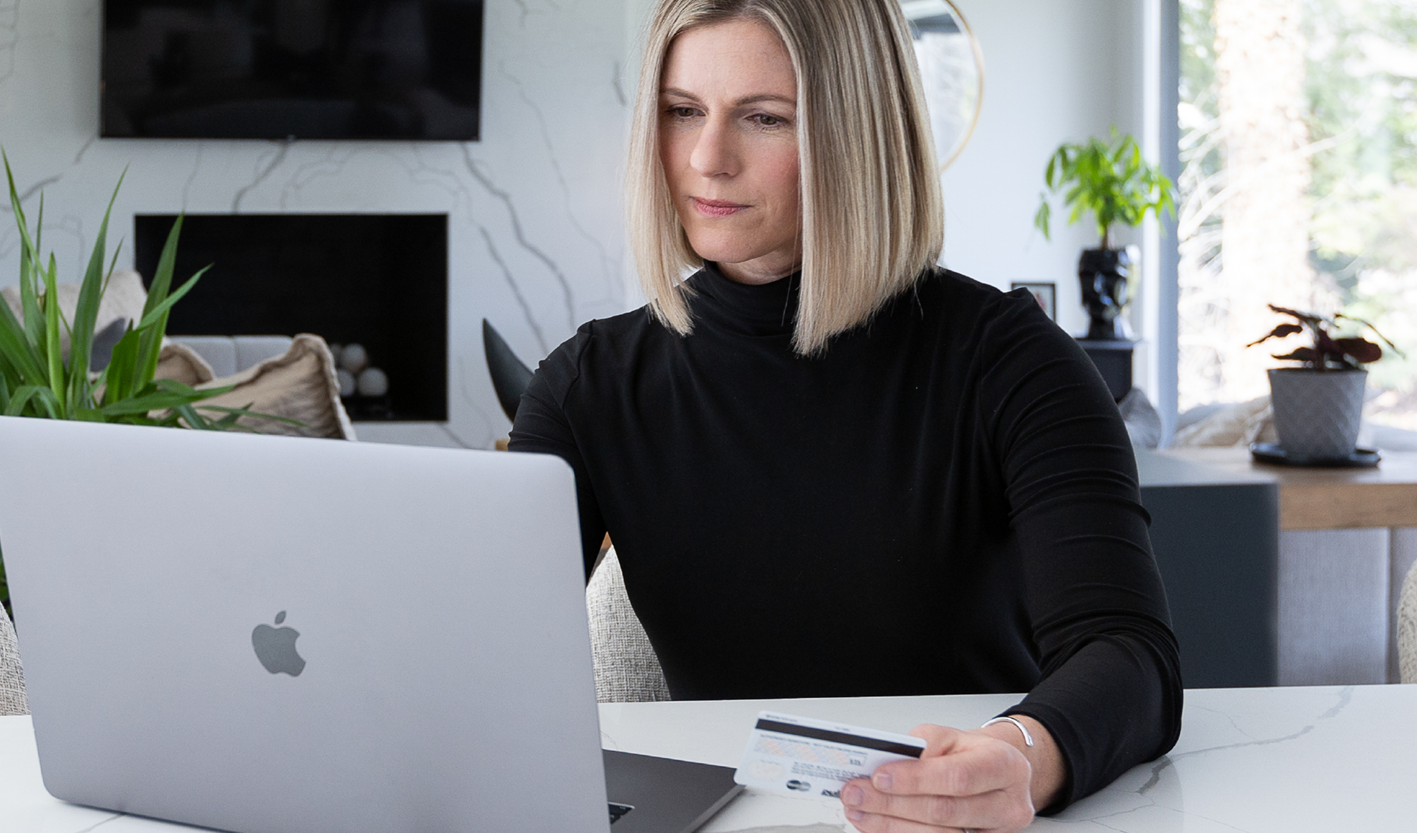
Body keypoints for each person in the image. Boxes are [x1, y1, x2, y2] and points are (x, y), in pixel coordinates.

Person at [506, 0, 1182, 829]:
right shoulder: (587, 385)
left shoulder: (1012, 359)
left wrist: (1022, 753)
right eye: (682, 112)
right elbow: (485, 657)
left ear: (857, 135)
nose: (707, 159)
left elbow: (1130, 655)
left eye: (764, 118)